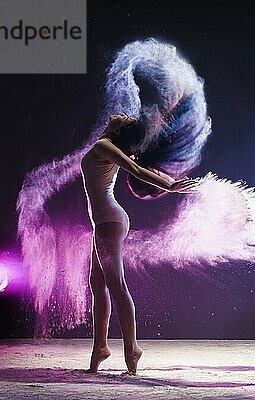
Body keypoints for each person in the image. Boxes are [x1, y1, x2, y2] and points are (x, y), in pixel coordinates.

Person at [81, 113, 199, 374]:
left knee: (116, 285)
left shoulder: (104, 147)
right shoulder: (106, 146)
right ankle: (100, 346)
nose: (123, 114)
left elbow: (135, 170)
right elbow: (136, 165)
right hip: (103, 222)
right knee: (97, 282)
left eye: (125, 120)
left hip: (109, 222)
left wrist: (170, 186)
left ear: (119, 131)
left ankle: (131, 350)